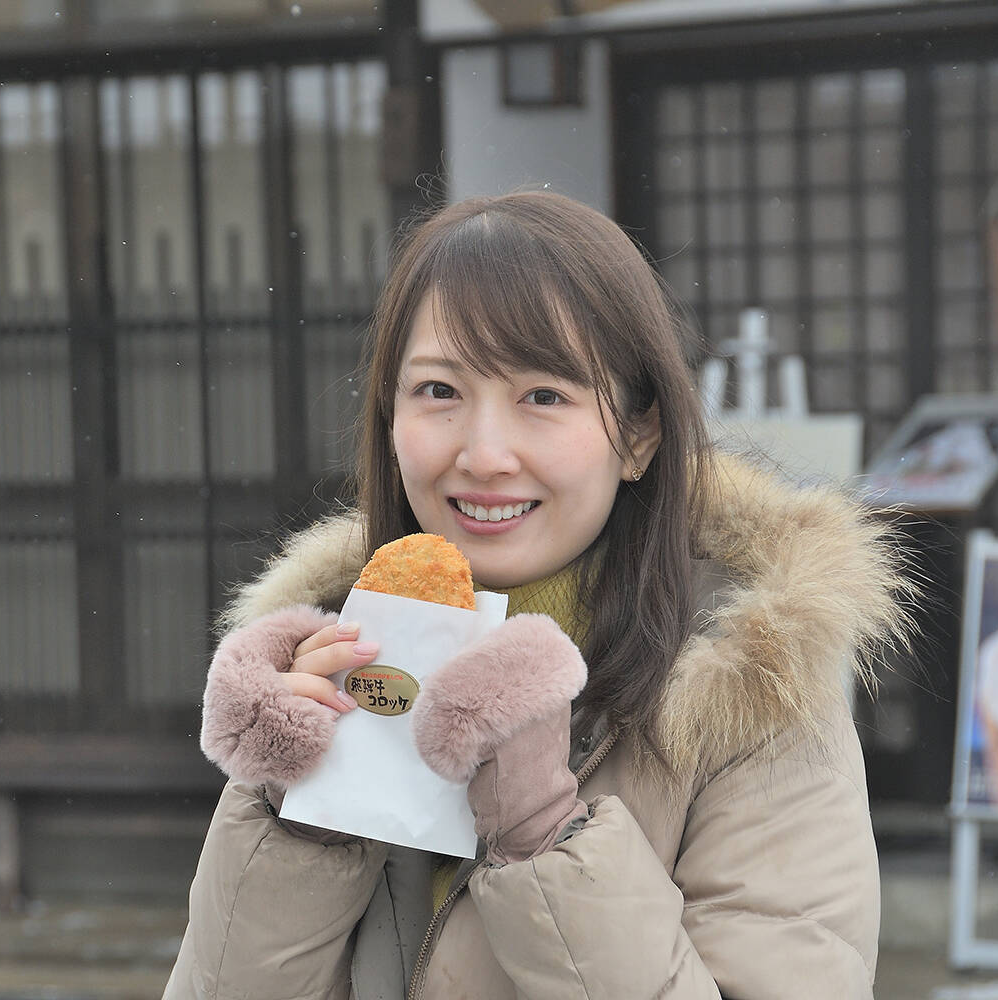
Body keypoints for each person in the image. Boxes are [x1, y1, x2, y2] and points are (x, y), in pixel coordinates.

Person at [164, 191, 911, 999]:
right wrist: (299, 816)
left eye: (544, 397)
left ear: (639, 434)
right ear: (389, 415)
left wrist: (545, 833)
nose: (484, 455)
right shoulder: (342, 660)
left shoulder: (751, 695)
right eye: (440, 392)